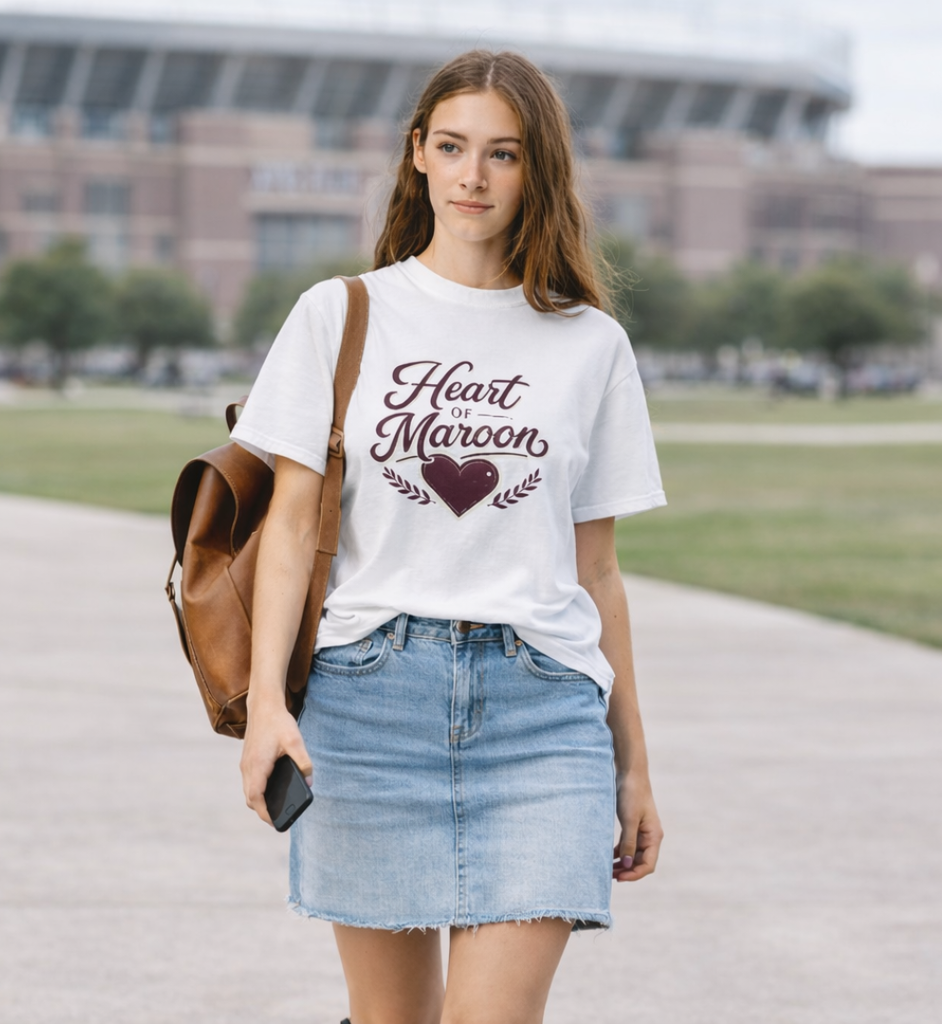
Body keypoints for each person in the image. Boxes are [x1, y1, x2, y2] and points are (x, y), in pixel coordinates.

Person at [232, 49, 666, 1024]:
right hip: (369, 702)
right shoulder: (340, 315)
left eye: (503, 154)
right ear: (417, 155)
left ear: (536, 171)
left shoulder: (590, 343)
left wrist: (634, 765)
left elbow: (598, 569)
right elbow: (291, 524)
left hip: (544, 711)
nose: (473, 177)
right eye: (453, 146)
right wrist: (268, 708)